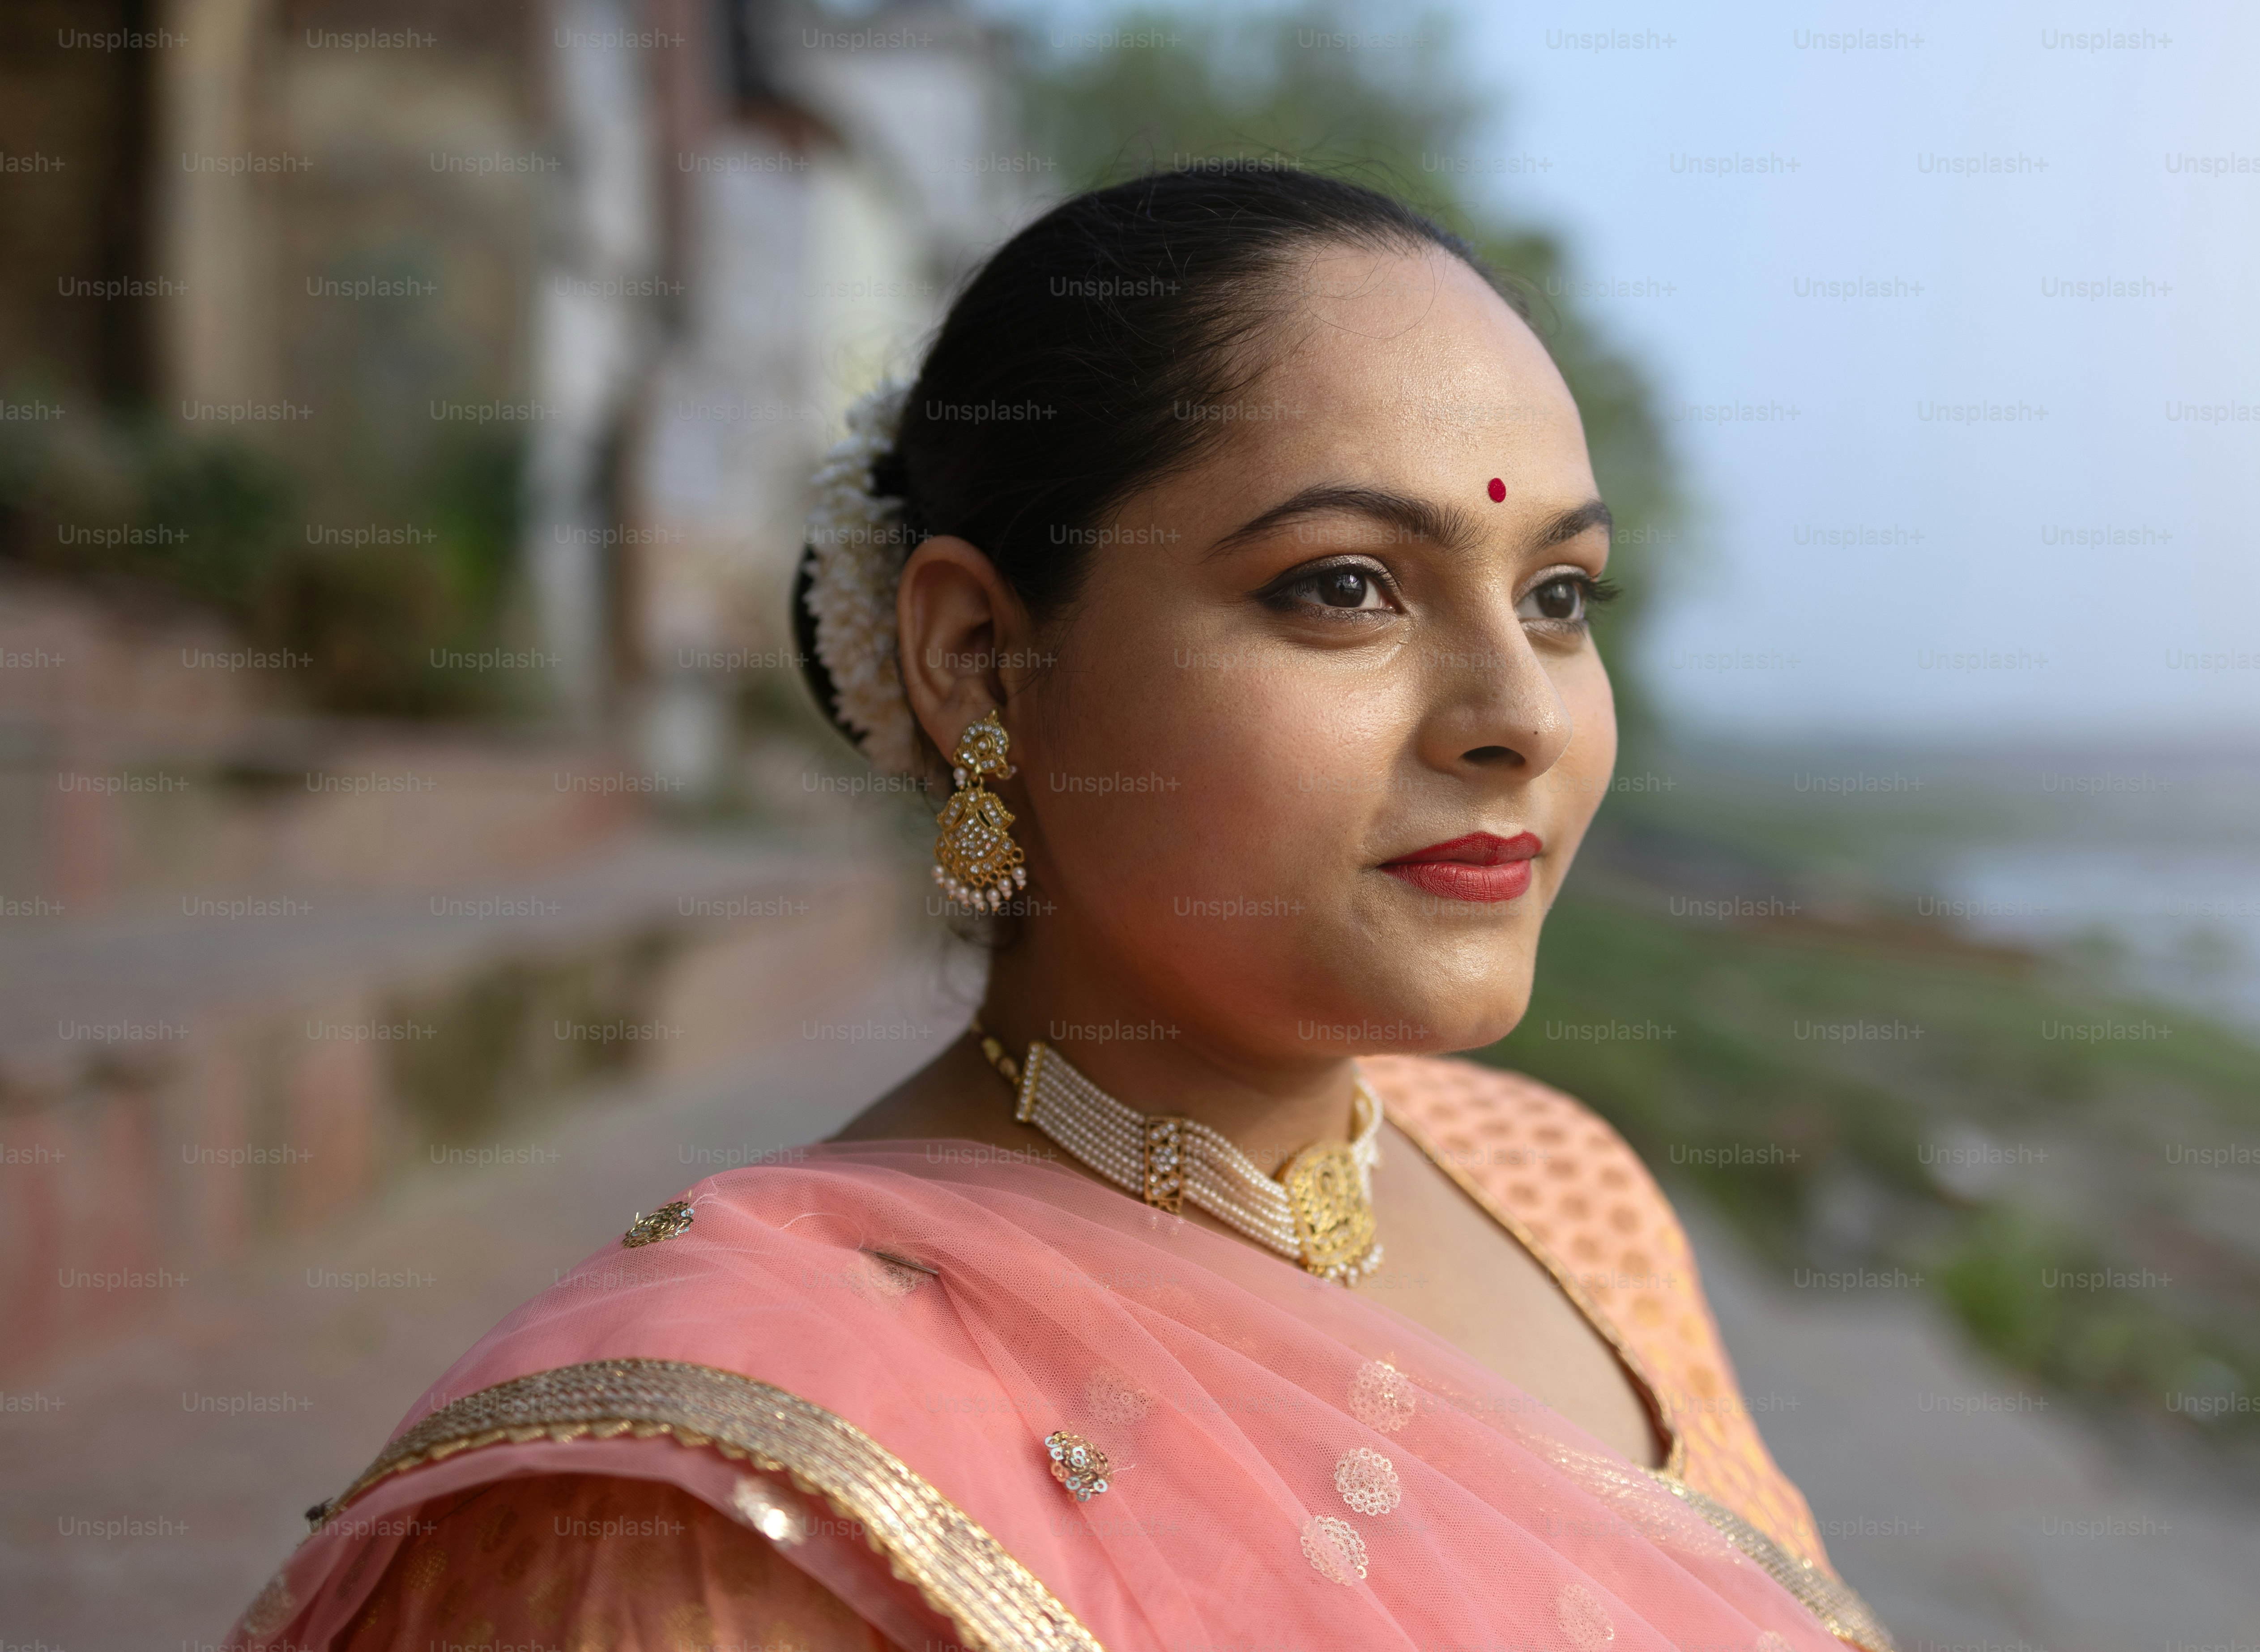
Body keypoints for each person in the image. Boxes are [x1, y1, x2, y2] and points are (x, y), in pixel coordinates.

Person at [229, 165, 1893, 1652]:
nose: (1515, 712)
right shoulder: (711, 1500)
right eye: (1342, 587)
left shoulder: (1565, 1191)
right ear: (979, 660)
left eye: (1555, 596)